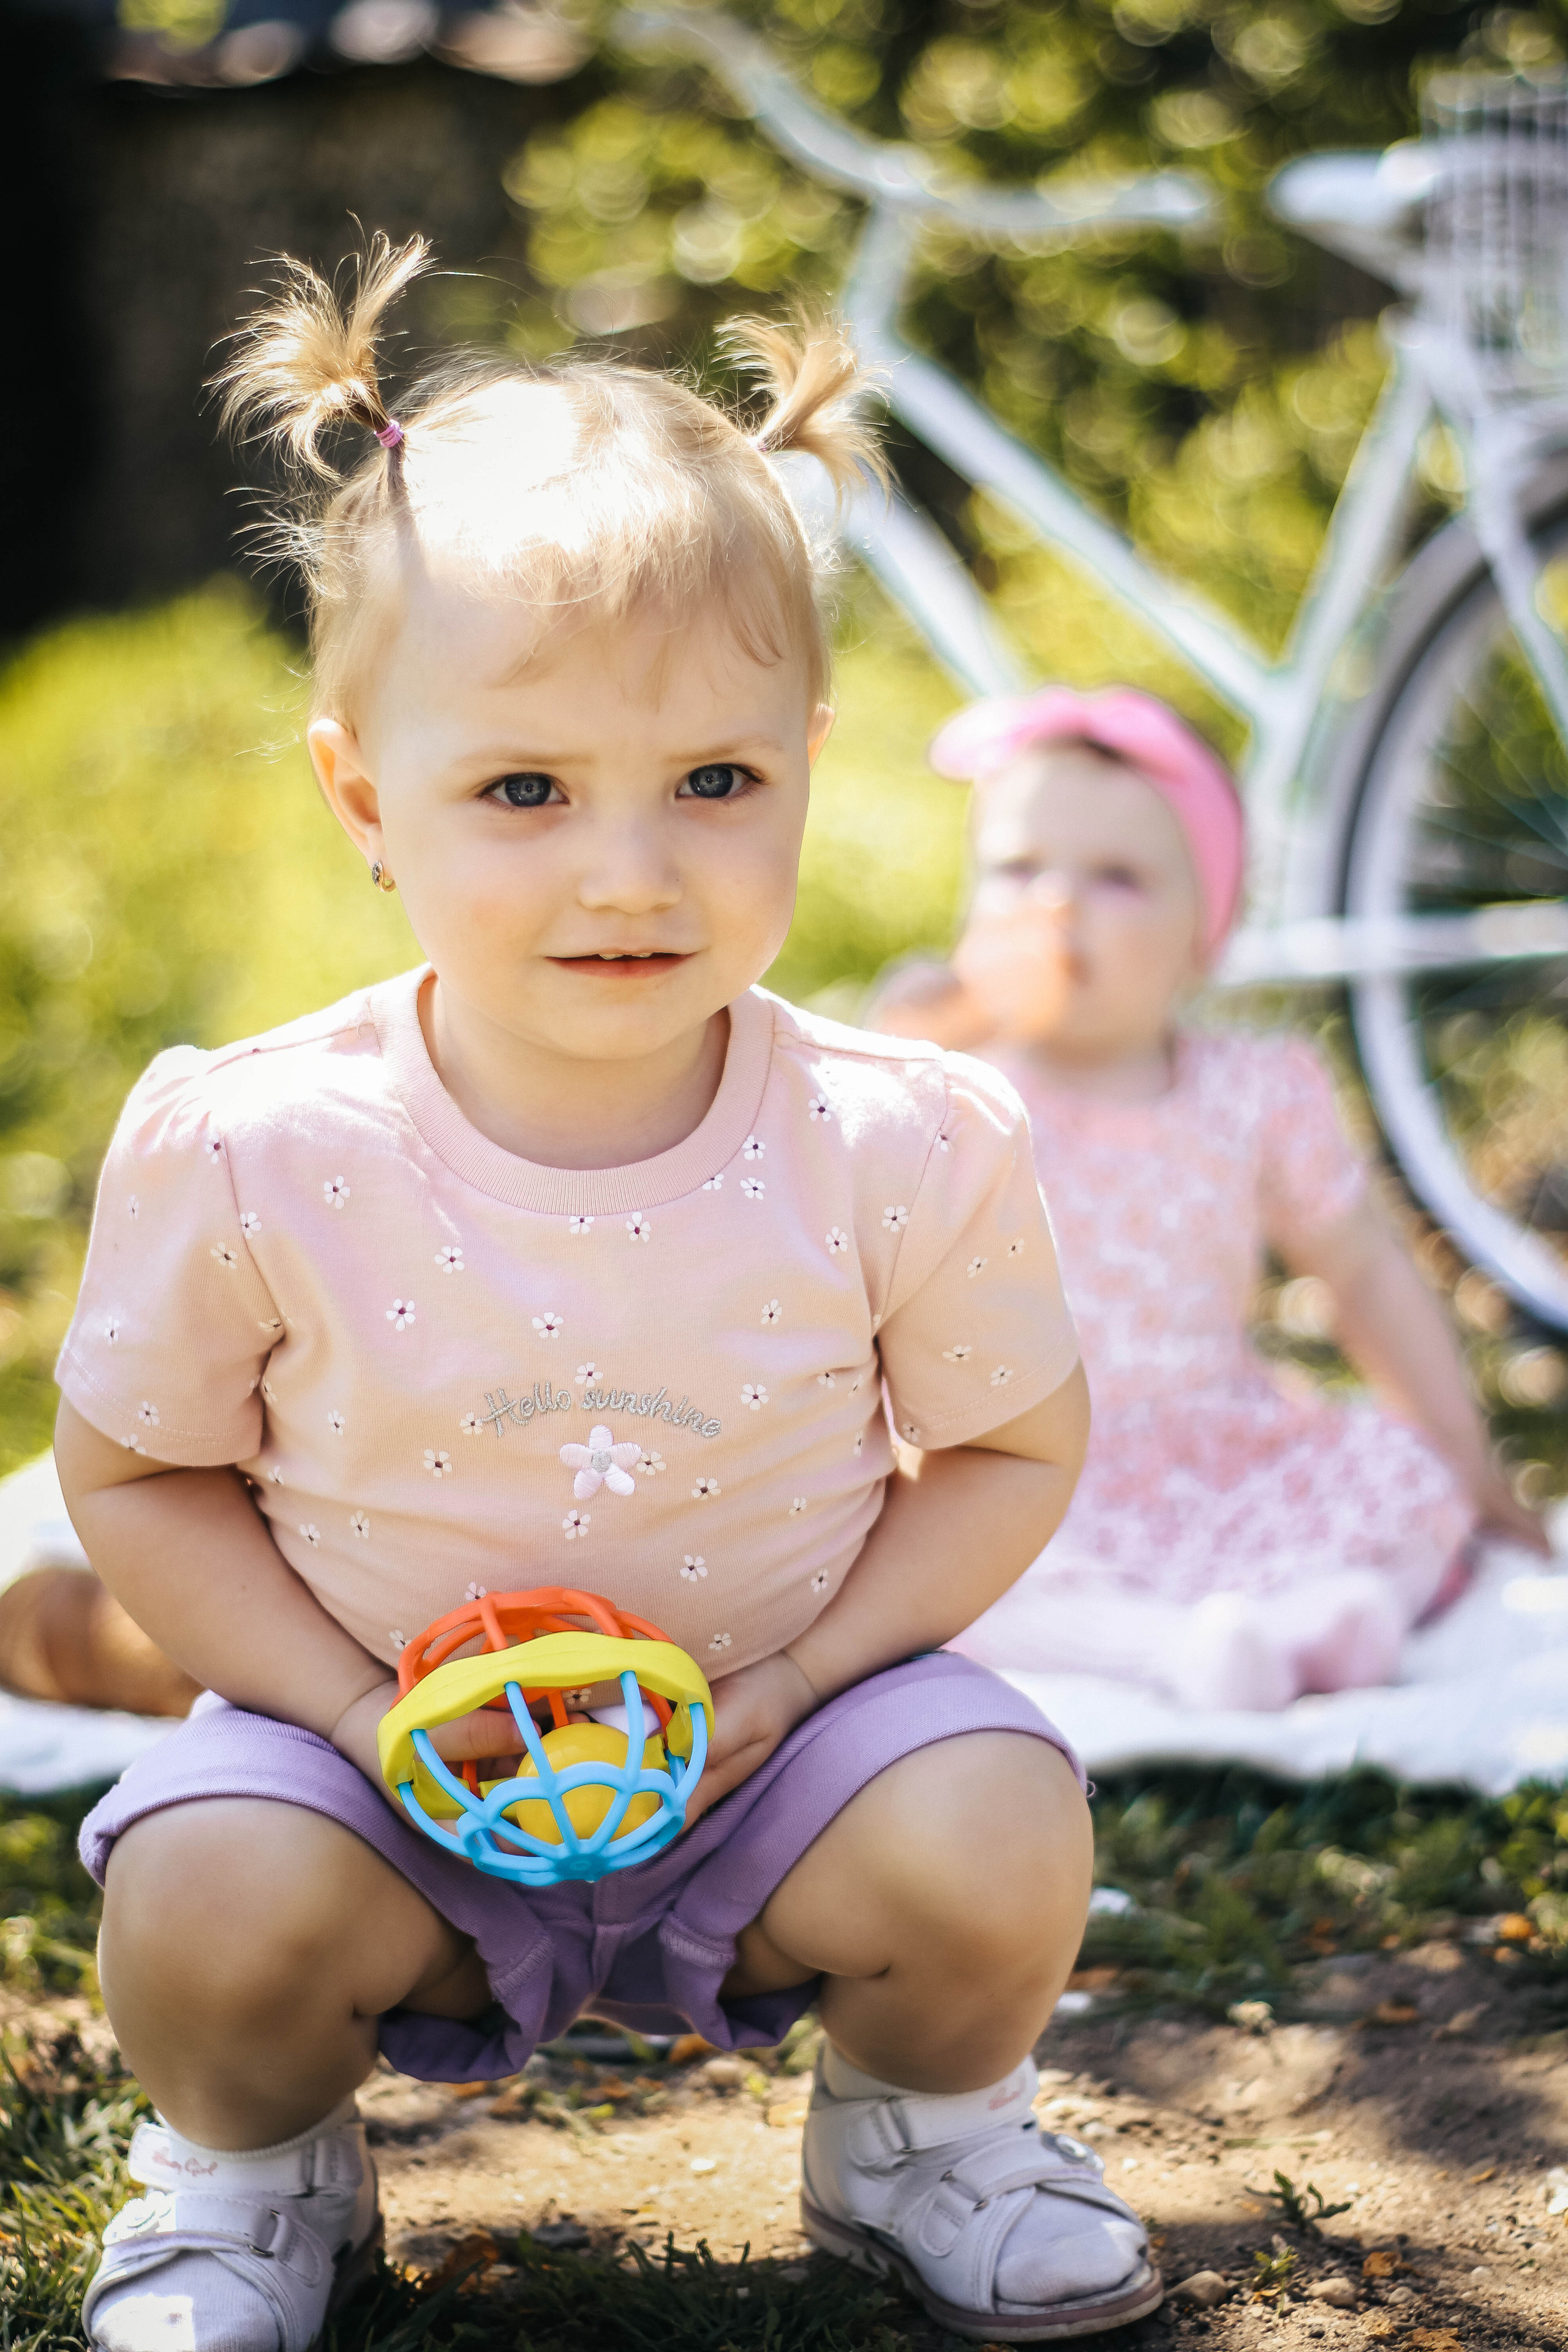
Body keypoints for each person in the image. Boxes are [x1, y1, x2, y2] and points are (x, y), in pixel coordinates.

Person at [53, 238, 1157, 2352]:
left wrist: (806, 1679)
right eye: (527, 791)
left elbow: (1015, 1447)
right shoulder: (252, 1146)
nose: (631, 871)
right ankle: (254, 2170)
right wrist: (351, 1713)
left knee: (1002, 1810)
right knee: (203, 1885)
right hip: (381, 1780)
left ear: (808, 764)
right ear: (367, 796)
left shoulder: (910, 1138)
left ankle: (922, 2131)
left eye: (715, 783)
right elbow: (143, 1478)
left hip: (783, 1759)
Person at [867, 686, 1546, 1715]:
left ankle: (1332, 1612)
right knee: (925, 1554)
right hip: (1017, 1461)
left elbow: (1362, 1273)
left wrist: (1466, 1460)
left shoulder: (1254, 1090)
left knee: (1404, 1478)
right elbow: (840, 1214)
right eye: (1017, 869)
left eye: (1120, 878)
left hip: (1207, 1446)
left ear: (1207, 935)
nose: (1056, 904)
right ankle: (1170, 1650)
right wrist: (907, 1041)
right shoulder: (951, 1078)